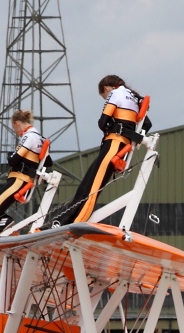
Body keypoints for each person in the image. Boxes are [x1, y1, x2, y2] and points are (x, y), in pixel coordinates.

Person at [55, 75, 151, 226]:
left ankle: (72, 223)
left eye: (104, 96)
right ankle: (62, 221)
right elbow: (147, 124)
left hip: (113, 143)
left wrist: (111, 128)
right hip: (120, 147)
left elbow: (102, 122)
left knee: (91, 188)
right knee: (89, 184)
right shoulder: (134, 98)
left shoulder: (116, 93)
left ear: (106, 88)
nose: (105, 98)